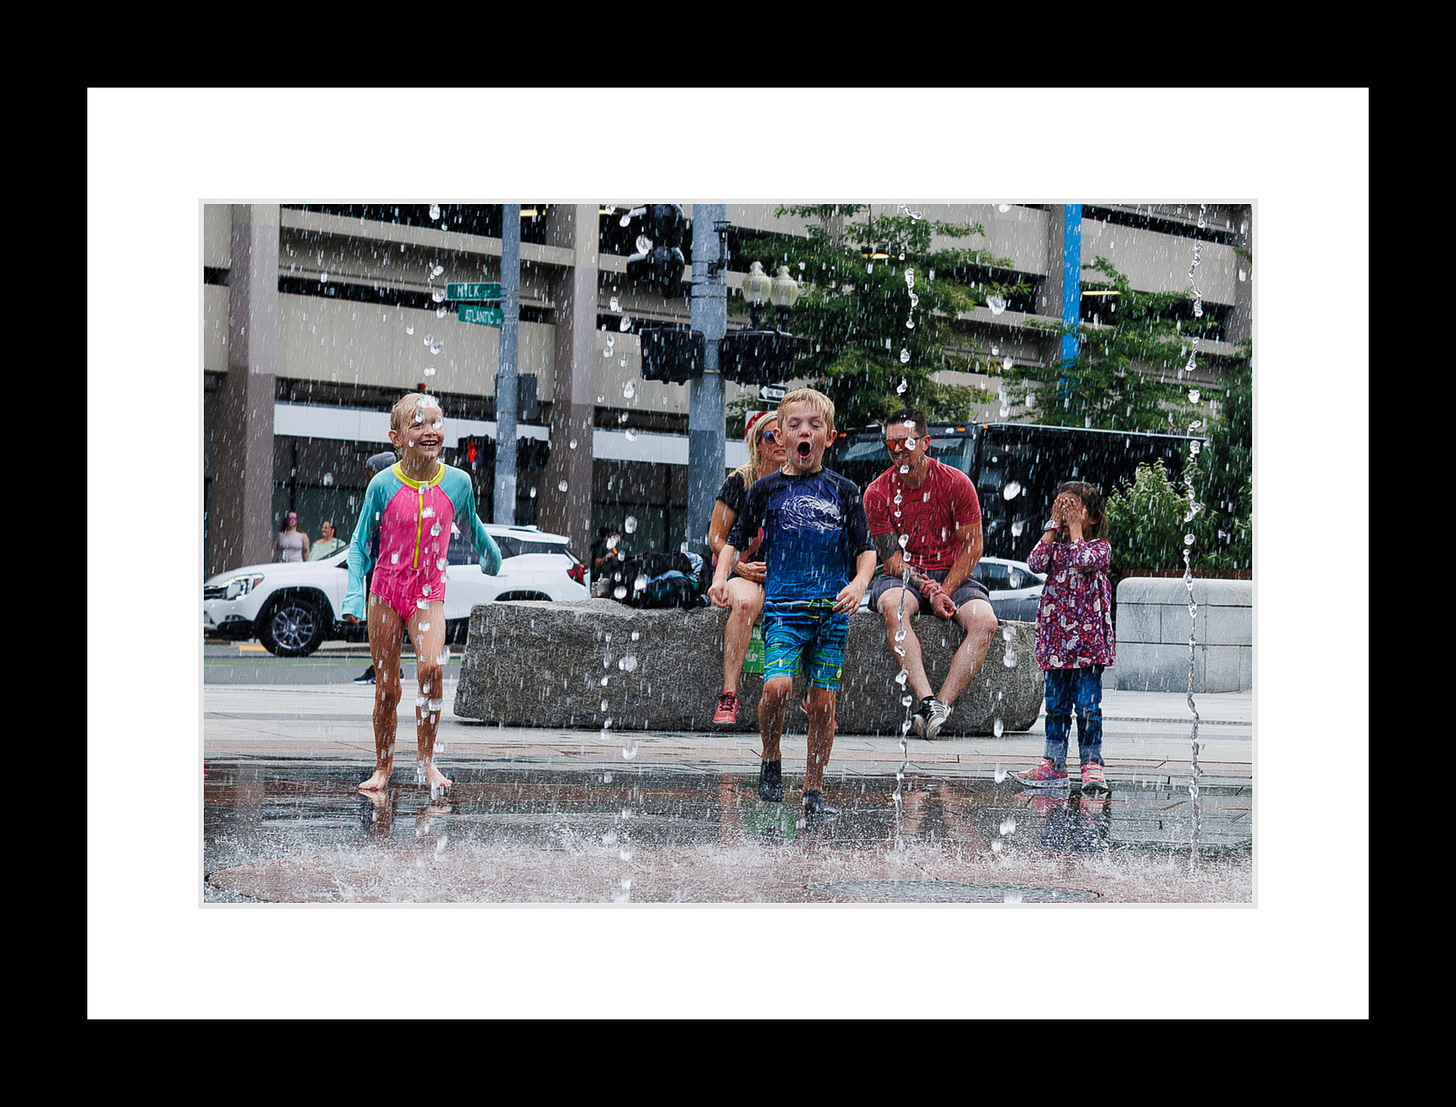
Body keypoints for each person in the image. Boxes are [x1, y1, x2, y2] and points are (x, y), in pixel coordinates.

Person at [708, 388, 875, 816]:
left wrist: (858, 584)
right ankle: (771, 757)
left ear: (829, 437)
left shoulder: (845, 489)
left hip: (832, 613)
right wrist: (720, 576)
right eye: (795, 425)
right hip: (783, 609)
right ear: (781, 436)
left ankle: (813, 789)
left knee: (822, 704)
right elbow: (735, 539)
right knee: (776, 687)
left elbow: (866, 549)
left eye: (814, 426)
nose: (805, 432)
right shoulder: (765, 489)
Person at [343, 394, 502, 794]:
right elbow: (360, 545)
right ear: (397, 437)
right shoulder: (382, 484)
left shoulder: (457, 482)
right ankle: (382, 767)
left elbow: (470, 523)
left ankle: (427, 762)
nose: (430, 431)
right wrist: (351, 597)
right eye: (418, 424)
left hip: (428, 595)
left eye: (436, 422)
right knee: (388, 687)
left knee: (432, 669)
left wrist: (490, 554)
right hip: (385, 594)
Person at [863, 408, 998, 740]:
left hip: (954, 574)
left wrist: (944, 590)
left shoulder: (956, 483)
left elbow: (973, 547)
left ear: (925, 442)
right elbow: (891, 557)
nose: (897, 449)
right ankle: (924, 699)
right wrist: (927, 588)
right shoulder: (877, 493)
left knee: (985, 622)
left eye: (905, 442)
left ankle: (941, 704)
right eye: (890, 443)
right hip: (904, 577)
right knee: (894, 607)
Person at [1013, 481, 1114, 793]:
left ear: (1092, 518)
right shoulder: (1054, 549)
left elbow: (1083, 562)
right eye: (1062, 505)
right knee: (1056, 705)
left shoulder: (1099, 549)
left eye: (1073, 507)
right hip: (1056, 644)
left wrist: (1076, 532)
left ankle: (1091, 764)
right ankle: (1053, 764)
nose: (1067, 513)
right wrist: (1053, 526)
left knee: (1087, 706)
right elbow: (1034, 563)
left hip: (1088, 646)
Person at [707, 410, 785, 725]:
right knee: (745, 602)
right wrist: (740, 568)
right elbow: (716, 537)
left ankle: (817, 697)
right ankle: (729, 696)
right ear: (758, 444)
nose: (779, 442)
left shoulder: (801, 479)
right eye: (771, 436)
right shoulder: (740, 480)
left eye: (784, 435)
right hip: (742, 569)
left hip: (782, 573)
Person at [354, 451, 403, 685]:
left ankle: (385, 667)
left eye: (370, 472)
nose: (367, 478)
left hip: (386, 570)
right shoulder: (381, 496)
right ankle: (384, 666)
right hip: (380, 567)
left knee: (383, 623)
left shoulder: (388, 497)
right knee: (381, 623)